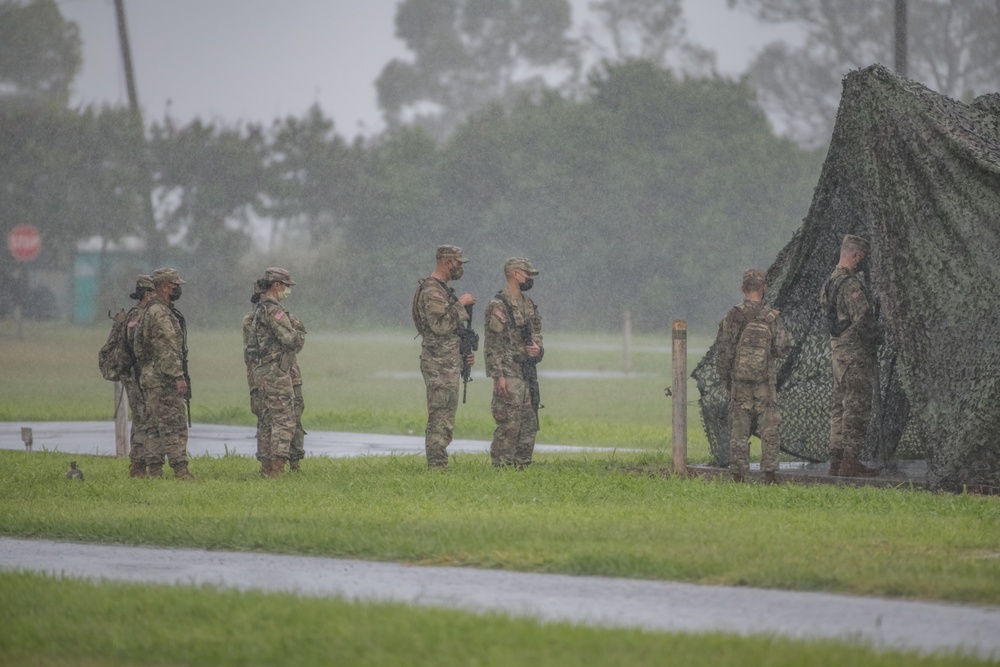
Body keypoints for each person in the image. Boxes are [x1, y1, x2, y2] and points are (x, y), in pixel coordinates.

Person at [715, 268, 791, 483]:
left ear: (743, 288)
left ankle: (739, 474)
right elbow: (783, 347)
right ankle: (769, 474)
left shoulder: (733, 316)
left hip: (739, 382)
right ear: (764, 288)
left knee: (739, 429)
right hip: (765, 382)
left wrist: (726, 379)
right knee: (769, 428)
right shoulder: (771, 317)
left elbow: (724, 352)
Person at [820, 234, 880, 477]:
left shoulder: (828, 283)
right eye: (861, 258)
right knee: (856, 407)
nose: (861, 262)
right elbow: (864, 319)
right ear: (854, 255)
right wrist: (877, 338)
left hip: (837, 353)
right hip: (854, 355)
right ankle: (850, 460)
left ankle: (836, 459)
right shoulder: (851, 285)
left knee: (839, 407)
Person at [411, 245, 476, 469]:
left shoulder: (442, 289)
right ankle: (437, 465)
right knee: (440, 415)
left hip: (448, 362)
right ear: (446, 261)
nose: (460, 268)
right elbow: (439, 326)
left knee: (446, 415)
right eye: (458, 263)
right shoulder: (433, 292)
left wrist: (462, 352)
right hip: (438, 363)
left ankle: (439, 462)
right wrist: (461, 305)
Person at [243, 267, 305, 476]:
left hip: (261, 372)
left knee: (267, 420)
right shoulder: (275, 311)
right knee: (284, 419)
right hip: (276, 373)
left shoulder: (258, 310)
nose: (287, 289)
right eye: (286, 285)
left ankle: (266, 469)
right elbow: (291, 340)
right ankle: (277, 470)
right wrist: (299, 334)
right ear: (276, 285)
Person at [133, 268, 193, 480]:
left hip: (151, 377)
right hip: (163, 378)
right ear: (165, 286)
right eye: (175, 286)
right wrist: (178, 376)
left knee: (154, 427)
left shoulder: (151, 309)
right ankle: (181, 470)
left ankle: (155, 472)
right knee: (173, 426)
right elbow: (167, 347)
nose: (177, 290)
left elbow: (141, 348)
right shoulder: (159, 313)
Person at [484, 257, 543, 468]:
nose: (530, 279)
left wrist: (538, 349)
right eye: (528, 274)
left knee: (529, 422)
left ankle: (523, 465)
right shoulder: (499, 305)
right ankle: (501, 465)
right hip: (508, 371)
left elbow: (537, 333)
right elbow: (493, 344)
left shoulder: (529, 305)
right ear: (516, 274)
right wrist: (498, 376)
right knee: (509, 422)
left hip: (527, 372)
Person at [124, 275, 155, 478]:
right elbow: (137, 347)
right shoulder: (137, 316)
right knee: (142, 418)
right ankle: (138, 465)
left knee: (143, 418)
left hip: (140, 374)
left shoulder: (142, 314)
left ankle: (140, 463)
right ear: (146, 294)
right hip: (136, 375)